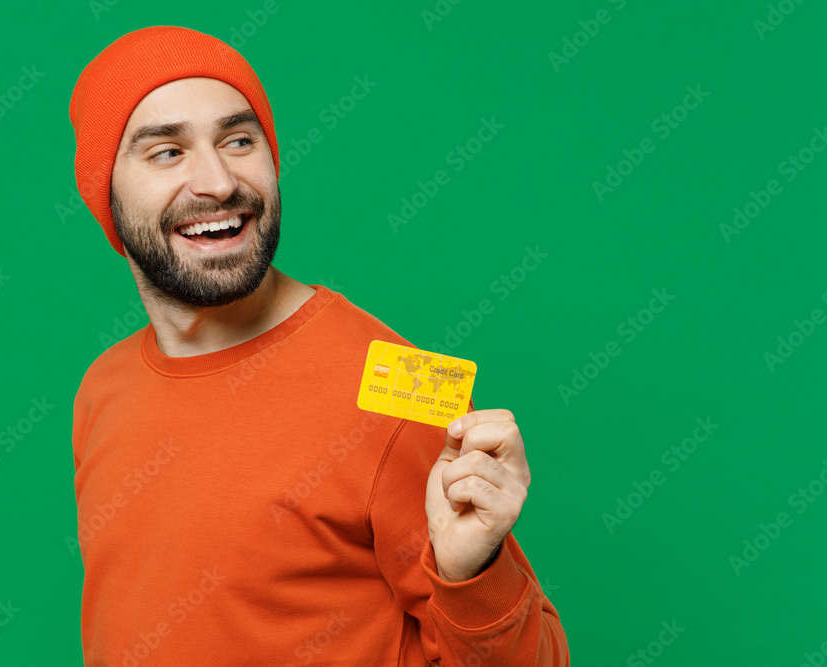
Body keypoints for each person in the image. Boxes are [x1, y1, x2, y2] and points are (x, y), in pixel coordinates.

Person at [68, 25, 569, 666]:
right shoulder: (103, 389)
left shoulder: (393, 384)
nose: (218, 182)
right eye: (167, 151)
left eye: (239, 140)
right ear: (105, 192)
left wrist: (476, 569)